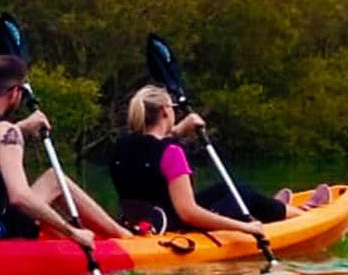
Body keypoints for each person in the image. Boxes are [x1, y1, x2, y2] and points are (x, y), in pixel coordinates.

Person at [0, 55, 132, 248]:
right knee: (55, 180)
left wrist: (21, 127)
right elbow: (19, 197)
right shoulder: (6, 132)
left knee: (48, 186)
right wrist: (73, 233)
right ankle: (125, 237)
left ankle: (116, 234)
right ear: (16, 93)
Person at [109, 85, 330, 236]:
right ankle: (303, 216)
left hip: (141, 222)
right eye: (173, 108)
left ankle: (278, 208)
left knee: (227, 188)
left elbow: (149, 149)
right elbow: (189, 213)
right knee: (243, 193)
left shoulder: (120, 146)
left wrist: (179, 130)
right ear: (165, 111)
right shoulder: (171, 152)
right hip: (174, 228)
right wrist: (244, 229)